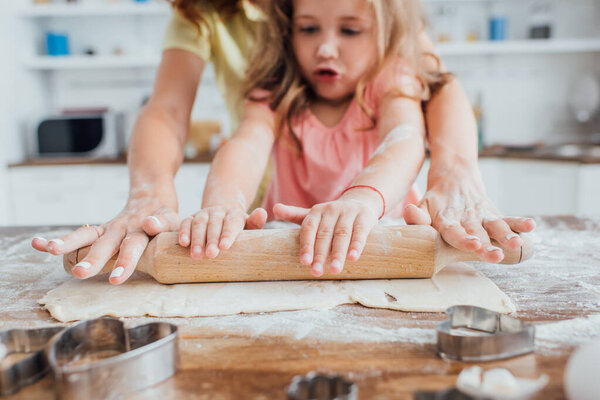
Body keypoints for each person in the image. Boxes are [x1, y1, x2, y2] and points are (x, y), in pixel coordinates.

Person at [31, 0, 535, 285]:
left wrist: (362, 198)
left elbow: (406, 138)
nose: (326, 47)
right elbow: (245, 144)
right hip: (282, 251)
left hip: (379, 243)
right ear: (287, 31)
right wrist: (221, 206)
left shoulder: (391, 77)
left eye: (350, 29)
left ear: (382, 35)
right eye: (308, 29)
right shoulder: (276, 88)